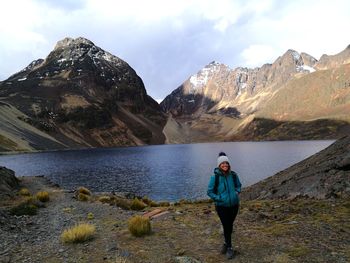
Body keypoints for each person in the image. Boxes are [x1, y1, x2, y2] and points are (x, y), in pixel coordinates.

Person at [207, 152, 242, 260]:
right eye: (222, 164)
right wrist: (220, 198)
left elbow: (239, 185)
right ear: (219, 165)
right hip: (222, 207)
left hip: (234, 205)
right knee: (226, 226)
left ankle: (226, 243)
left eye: (226, 163)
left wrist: (237, 192)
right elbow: (209, 191)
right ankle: (230, 248)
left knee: (229, 225)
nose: (225, 165)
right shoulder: (215, 177)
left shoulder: (234, 175)